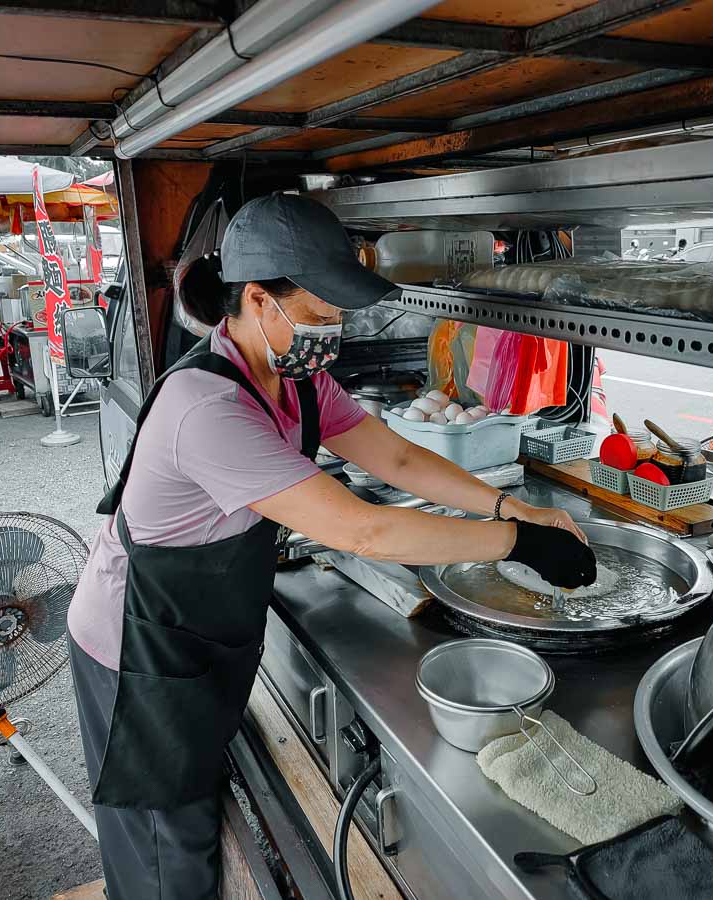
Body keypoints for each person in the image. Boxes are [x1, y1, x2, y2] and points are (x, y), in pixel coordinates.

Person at [66, 192, 596, 900]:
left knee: (191, 806)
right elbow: (359, 528)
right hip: (135, 650)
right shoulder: (208, 409)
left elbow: (398, 460)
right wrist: (516, 542)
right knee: (166, 851)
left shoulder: (296, 378)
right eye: (320, 316)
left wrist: (510, 503)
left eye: (340, 317)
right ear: (258, 300)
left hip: (193, 636)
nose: (333, 333)